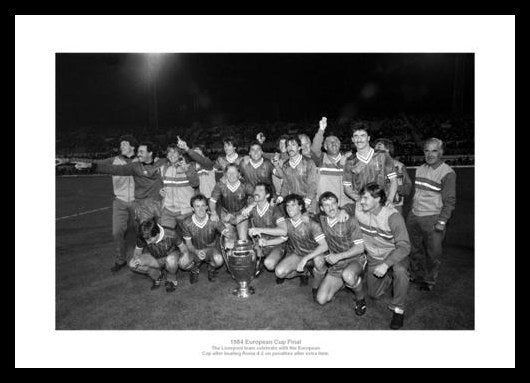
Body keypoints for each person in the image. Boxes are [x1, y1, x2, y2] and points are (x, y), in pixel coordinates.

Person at [356, 183, 411, 330]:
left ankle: (399, 309)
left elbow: (405, 246)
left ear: (378, 199)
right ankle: (388, 278)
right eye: (361, 198)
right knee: (374, 295)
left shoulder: (393, 216)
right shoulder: (359, 209)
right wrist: (341, 211)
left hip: (394, 255)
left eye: (366, 198)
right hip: (374, 257)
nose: (362, 201)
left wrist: (386, 264)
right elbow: (342, 209)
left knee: (400, 271)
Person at [407, 138, 456, 291]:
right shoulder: (419, 169)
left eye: (434, 150)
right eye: (427, 150)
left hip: (433, 217)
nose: (430, 154)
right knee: (414, 249)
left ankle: (429, 280)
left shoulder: (447, 172)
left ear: (441, 152)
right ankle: (416, 274)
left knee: (433, 253)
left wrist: (442, 222)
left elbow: (450, 200)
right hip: (414, 215)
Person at [74, 141, 164, 224]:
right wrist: (91, 165)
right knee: (146, 233)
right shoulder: (134, 166)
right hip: (143, 206)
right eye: (138, 152)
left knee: (165, 233)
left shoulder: (163, 163)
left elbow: (176, 160)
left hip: (160, 204)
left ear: (150, 153)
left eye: (141, 152)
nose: (138, 154)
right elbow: (115, 169)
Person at [268, 194, 329, 300]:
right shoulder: (286, 223)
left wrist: (306, 258)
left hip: (314, 254)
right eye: (287, 205)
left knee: (319, 261)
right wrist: (265, 242)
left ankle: (316, 285)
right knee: (279, 273)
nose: (289, 208)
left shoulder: (311, 223)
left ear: (300, 207)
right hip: (298, 254)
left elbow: (324, 246)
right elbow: (282, 238)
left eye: (293, 205)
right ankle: (305, 272)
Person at [93, 135, 139, 273]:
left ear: (132, 146)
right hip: (119, 201)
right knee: (117, 232)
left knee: (142, 232)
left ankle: (143, 258)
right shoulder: (114, 160)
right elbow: (97, 162)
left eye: (124, 144)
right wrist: (78, 162)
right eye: (121, 145)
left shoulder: (141, 159)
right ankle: (120, 260)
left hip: (138, 201)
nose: (121, 147)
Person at [316, 192, 367, 316]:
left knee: (348, 275)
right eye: (326, 205)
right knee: (322, 299)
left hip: (355, 259)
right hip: (337, 263)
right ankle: (346, 282)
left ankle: (360, 299)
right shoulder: (321, 219)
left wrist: (337, 257)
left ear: (338, 204)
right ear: (322, 209)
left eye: (333, 203)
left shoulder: (350, 220)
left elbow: (360, 248)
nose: (331, 207)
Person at [180, 194, 234, 284]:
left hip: (210, 249)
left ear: (207, 207)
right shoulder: (186, 223)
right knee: (182, 263)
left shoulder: (213, 219)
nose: (201, 209)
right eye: (197, 206)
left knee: (219, 260)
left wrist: (229, 240)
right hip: (194, 250)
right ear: (192, 209)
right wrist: (196, 251)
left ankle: (211, 268)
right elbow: (188, 244)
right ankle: (194, 269)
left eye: (203, 206)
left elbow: (226, 232)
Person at [129, 217, 190, 293]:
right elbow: (137, 252)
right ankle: (157, 275)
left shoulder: (171, 233)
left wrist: (185, 255)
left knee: (171, 260)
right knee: (132, 264)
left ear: (157, 233)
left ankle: (171, 277)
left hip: (172, 255)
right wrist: (136, 258)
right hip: (154, 258)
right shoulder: (144, 235)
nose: (147, 243)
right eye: (146, 240)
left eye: (150, 240)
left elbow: (183, 247)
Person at [343, 123, 398, 207]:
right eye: (356, 136)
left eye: (362, 135)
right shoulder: (350, 162)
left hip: (381, 204)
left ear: (368, 138)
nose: (359, 139)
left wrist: (390, 199)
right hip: (362, 206)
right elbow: (347, 188)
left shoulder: (383, 155)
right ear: (352, 139)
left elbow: (393, 180)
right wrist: (360, 199)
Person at [242, 183, 287, 279]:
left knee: (269, 264)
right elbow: (238, 220)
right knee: (244, 257)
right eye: (256, 190)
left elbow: (284, 231)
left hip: (277, 243)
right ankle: (261, 259)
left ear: (267, 195)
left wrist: (259, 230)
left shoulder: (275, 210)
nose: (256, 192)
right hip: (261, 242)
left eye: (261, 190)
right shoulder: (252, 209)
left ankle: (282, 259)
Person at [310, 117, 354, 210]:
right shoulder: (320, 159)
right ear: (325, 146)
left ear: (340, 145)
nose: (334, 143)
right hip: (326, 206)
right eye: (330, 142)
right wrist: (321, 130)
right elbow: (314, 149)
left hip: (346, 205)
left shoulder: (349, 160)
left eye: (336, 141)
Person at [158, 143, 200, 231]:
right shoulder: (163, 169)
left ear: (180, 154)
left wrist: (187, 170)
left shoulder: (189, 166)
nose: (172, 155)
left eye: (174, 152)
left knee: (188, 240)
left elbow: (195, 183)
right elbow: (162, 186)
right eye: (169, 152)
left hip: (185, 211)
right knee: (167, 239)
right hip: (168, 210)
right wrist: (161, 192)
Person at [277, 136, 319, 214]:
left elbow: (312, 185)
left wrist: (306, 202)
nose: (290, 148)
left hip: (309, 202)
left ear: (299, 147)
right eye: (288, 145)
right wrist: (280, 198)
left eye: (293, 145)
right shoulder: (286, 165)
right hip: (294, 203)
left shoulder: (309, 162)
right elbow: (286, 185)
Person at [209, 163, 251, 240]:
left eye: (234, 172)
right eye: (229, 173)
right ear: (225, 174)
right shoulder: (220, 185)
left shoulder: (245, 185)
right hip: (226, 215)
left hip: (241, 214)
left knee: (243, 240)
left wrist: (248, 209)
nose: (231, 175)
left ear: (239, 174)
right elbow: (212, 201)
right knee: (229, 242)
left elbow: (257, 198)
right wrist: (213, 213)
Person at [374, 138, 412, 214]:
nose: (377, 147)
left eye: (380, 145)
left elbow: (408, 188)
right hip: (375, 206)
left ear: (388, 149)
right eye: (376, 148)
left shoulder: (399, 166)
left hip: (394, 206)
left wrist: (394, 188)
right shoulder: (371, 166)